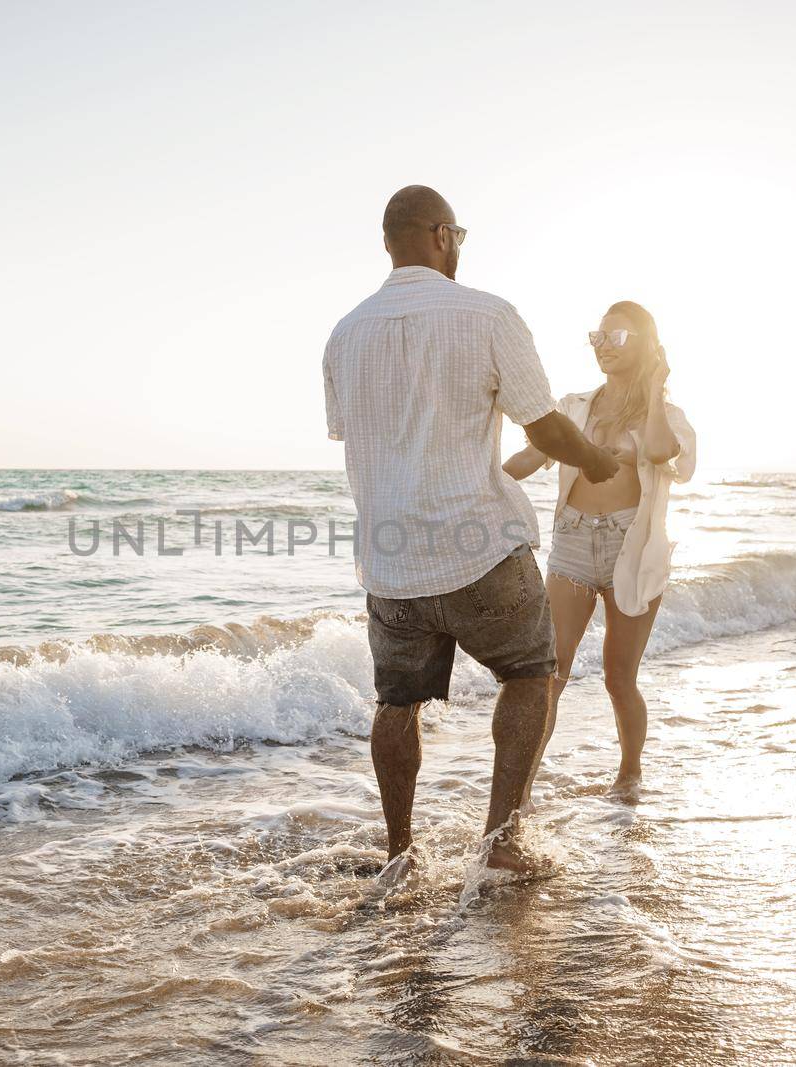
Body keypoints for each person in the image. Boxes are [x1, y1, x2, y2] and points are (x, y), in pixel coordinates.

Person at [322, 185, 619, 875]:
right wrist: (596, 459)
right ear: (439, 235)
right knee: (528, 671)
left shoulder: (344, 333)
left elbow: (353, 431)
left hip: (391, 560)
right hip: (478, 546)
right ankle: (500, 841)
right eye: (456, 234)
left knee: (397, 702)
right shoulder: (487, 314)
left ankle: (400, 853)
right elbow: (541, 424)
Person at [502, 301, 697, 797]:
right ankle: (519, 790)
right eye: (598, 337)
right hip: (571, 544)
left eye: (618, 337)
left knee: (618, 679)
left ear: (647, 345)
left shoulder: (669, 417)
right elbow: (531, 455)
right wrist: (475, 483)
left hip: (632, 547)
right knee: (550, 675)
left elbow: (655, 451)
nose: (603, 347)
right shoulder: (573, 407)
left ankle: (629, 774)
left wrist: (654, 389)